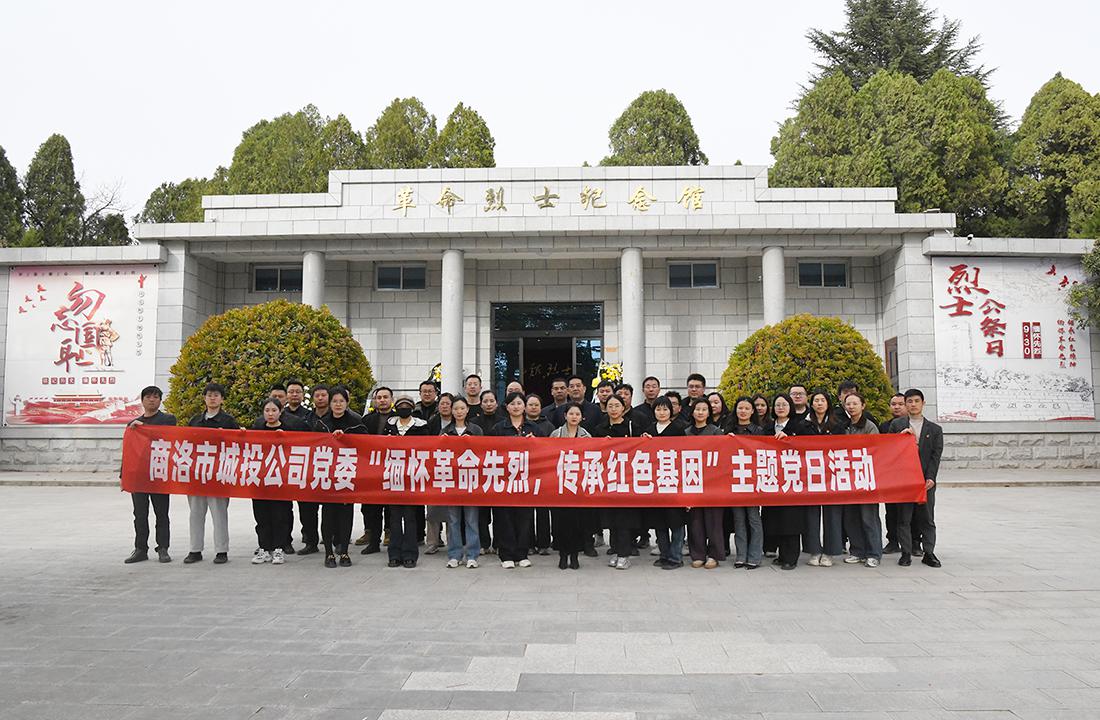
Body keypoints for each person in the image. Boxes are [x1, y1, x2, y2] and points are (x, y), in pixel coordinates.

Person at [185, 383, 239, 565]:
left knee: (219, 513)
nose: (212, 398)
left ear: (222, 399)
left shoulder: (229, 422)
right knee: (195, 514)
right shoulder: (195, 421)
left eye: (216, 395)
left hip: (219, 474)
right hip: (197, 474)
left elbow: (237, 446)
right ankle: (195, 550)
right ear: (204, 398)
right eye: (209, 395)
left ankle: (221, 550)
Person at [123, 385, 177, 564]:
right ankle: (140, 549)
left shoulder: (168, 419)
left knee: (161, 513)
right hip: (139, 475)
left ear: (160, 400)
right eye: (148, 397)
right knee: (140, 514)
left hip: (159, 473)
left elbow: (164, 435)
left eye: (155, 397)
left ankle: (163, 548)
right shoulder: (133, 424)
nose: (151, 400)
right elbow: (129, 451)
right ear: (142, 400)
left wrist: (143, 427)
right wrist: (124, 475)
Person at [890, 389, 943, 568]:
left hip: (925, 481)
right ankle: (906, 553)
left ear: (923, 403)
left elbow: (935, 456)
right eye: (910, 401)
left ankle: (929, 552)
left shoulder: (935, 429)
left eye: (916, 401)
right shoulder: (897, 425)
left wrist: (931, 477)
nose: (913, 404)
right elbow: (889, 451)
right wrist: (901, 439)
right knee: (903, 518)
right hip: (904, 480)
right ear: (905, 404)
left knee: (927, 518)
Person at [318, 386, 365, 568]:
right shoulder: (322, 423)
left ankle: (344, 551)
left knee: (346, 514)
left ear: (347, 403)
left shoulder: (356, 422)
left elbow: (365, 444)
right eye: (335, 401)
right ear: (329, 403)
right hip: (327, 474)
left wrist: (347, 438)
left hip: (347, 474)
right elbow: (312, 445)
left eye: (341, 401)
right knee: (328, 515)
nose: (338, 405)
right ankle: (328, 553)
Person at [593, 394, 641, 569]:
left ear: (623, 407)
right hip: (608, 479)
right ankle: (614, 550)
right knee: (611, 518)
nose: (613, 409)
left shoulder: (632, 426)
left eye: (617, 405)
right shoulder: (600, 428)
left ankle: (624, 554)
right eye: (610, 406)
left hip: (627, 478)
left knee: (624, 518)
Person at [491, 392, 539, 569]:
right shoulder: (498, 429)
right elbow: (490, 452)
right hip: (504, 481)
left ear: (524, 406)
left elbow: (545, 452)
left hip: (526, 480)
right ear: (507, 407)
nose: (516, 407)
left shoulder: (534, 428)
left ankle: (522, 553)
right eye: (512, 404)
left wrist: (536, 443)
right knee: (504, 518)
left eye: (519, 403)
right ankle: (506, 554)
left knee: (524, 518)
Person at [640, 397, 686, 570]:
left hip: (673, 481)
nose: (662, 413)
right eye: (658, 409)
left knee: (676, 522)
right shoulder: (649, 429)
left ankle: (676, 557)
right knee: (660, 522)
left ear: (671, 411)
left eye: (665, 409)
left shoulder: (679, 429)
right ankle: (664, 554)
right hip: (655, 483)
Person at [800, 390, 845, 567]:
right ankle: (814, 551)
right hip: (810, 475)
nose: (819, 403)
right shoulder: (804, 425)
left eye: (822, 400)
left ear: (828, 404)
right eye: (816, 400)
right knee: (811, 514)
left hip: (832, 474)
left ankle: (830, 552)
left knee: (832, 514)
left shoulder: (837, 425)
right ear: (811, 404)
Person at [762, 392, 806, 570]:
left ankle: (791, 558)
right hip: (772, 478)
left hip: (792, 478)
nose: (780, 408)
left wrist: (790, 438)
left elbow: (808, 446)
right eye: (777, 405)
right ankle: (781, 555)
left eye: (784, 404)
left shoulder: (800, 427)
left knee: (791, 520)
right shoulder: (767, 427)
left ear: (791, 407)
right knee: (775, 519)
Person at [384, 396, 429, 568]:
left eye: (407, 405)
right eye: (400, 406)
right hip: (393, 475)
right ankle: (394, 553)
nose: (403, 408)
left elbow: (426, 448)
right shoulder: (389, 425)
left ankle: (410, 553)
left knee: (410, 517)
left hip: (412, 476)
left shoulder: (421, 426)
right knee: (394, 517)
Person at [249, 398, 293, 566]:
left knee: (279, 516)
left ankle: (279, 548)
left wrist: (285, 438)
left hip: (280, 481)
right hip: (260, 480)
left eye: (274, 410)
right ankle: (264, 548)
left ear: (280, 412)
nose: (270, 414)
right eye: (267, 410)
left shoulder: (288, 431)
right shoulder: (257, 430)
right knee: (261, 516)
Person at [842, 392, 883, 568]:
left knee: (868, 517)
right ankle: (857, 551)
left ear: (863, 405)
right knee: (851, 517)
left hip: (866, 477)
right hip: (847, 478)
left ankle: (874, 553)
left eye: (855, 403)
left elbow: (876, 449)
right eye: (848, 404)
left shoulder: (869, 426)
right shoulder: (844, 426)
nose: (851, 407)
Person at [549, 403, 592, 570]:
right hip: (559, 484)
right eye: (571, 413)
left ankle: (574, 555)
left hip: (578, 484)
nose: (574, 417)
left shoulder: (586, 436)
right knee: (561, 522)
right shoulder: (555, 434)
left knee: (577, 522)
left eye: (577, 414)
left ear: (582, 417)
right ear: (565, 415)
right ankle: (562, 554)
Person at [684, 398, 725, 569]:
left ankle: (714, 554)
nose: (700, 412)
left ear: (709, 413)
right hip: (692, 479)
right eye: (697, 409)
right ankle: (698, 553)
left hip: (713, 482)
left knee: (713, 520)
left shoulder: (716, 432)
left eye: (704, 409)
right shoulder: (686, 432)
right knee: (695, 520)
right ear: (692, 412)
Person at [441, 397, 482, 569]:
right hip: (452, 481)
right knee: (453, 520)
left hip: (471, 481)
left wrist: (472, 442)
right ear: (451, 411)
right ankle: (454, 554)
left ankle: (472, 555)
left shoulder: (476, 430)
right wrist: (442, 442)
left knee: (471, 520)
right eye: (456, 408)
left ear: (467, 410)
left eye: (462, 408)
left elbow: (484, 453)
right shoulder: (446, 431)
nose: (459, 411)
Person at [725, 396, 763, 570]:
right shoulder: (728, 430)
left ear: (752, 411)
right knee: (738, 519)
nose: (743, 411)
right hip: (734, 480)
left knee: (754, 519)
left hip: (752, 481)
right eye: (740, 408)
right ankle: (741, 555)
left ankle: (755, 556)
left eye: (747, 408)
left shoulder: (758, 431)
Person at [357, 386, 394, 554]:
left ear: (391, 400)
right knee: (371, 506)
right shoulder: (367, 420)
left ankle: (389, 533)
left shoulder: (397, 419)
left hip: (391, 467)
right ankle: (372, 539)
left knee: (390, 505)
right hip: (371, 469)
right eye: (379, 397)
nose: (382, 400)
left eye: (385, 397)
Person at [283, 379, 317, 555]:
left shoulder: (310, 416)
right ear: (286, 395)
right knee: (285, 508)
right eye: (291, 392)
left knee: (307, 508)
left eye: (298, 392)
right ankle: (285, 541)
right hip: (284, 467)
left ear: (303, 395)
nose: (294, 395)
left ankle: (311, 540)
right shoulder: (279, 414)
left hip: (305, 466)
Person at [525, 394, 555, 556]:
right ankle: (529, 543)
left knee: (543, 510)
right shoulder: (521, 425)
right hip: (525, 473)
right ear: (525, 407)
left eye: (536, 405)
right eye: (530, 404)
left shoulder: (548, 426)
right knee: (527, 510)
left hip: (544, 472)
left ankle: (544, 543)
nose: (533, 407)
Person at [880, 393, 909, 555]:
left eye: (900, 404)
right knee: (891, 511)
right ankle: (892, 541)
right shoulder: (884, 426)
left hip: (908, 475)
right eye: (893, 404)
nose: (896, 407)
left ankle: (914, 542)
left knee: (911, 512)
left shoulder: (913, 425)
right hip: (890, 475)